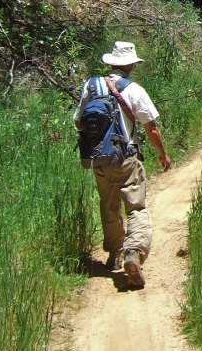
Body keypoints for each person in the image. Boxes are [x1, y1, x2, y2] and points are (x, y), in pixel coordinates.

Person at [73, 41, 172, 288]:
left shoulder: (91, 86)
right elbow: (151, 127)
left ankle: (114, 254)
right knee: (136, 207)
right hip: (127, 158)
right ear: (129, 64)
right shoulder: (134, 89)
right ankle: (134, 253)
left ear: (110, 62)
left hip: (98, 159)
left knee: (109, 206)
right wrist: (163, 154)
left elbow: (78, 122)